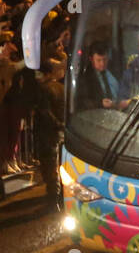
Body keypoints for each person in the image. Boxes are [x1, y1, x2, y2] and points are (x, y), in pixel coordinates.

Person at [33, 59, 67, 214]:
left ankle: (53, 200)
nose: (36, 77)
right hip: (61, 133)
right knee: (60, 166)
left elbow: (45, 113)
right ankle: (61, 198)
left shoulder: (44, 90)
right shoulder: (62, 87)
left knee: (50, 168)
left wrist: (56, 124)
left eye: (39, 73)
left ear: (47, 74)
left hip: (48, 134)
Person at [74, 43, 121, 112]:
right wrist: (100, 104)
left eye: (105, 59)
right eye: (98, 60)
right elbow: (81, 102)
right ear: (91, 59)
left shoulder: (115, 72)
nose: (102, 63)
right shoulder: (85, 78)